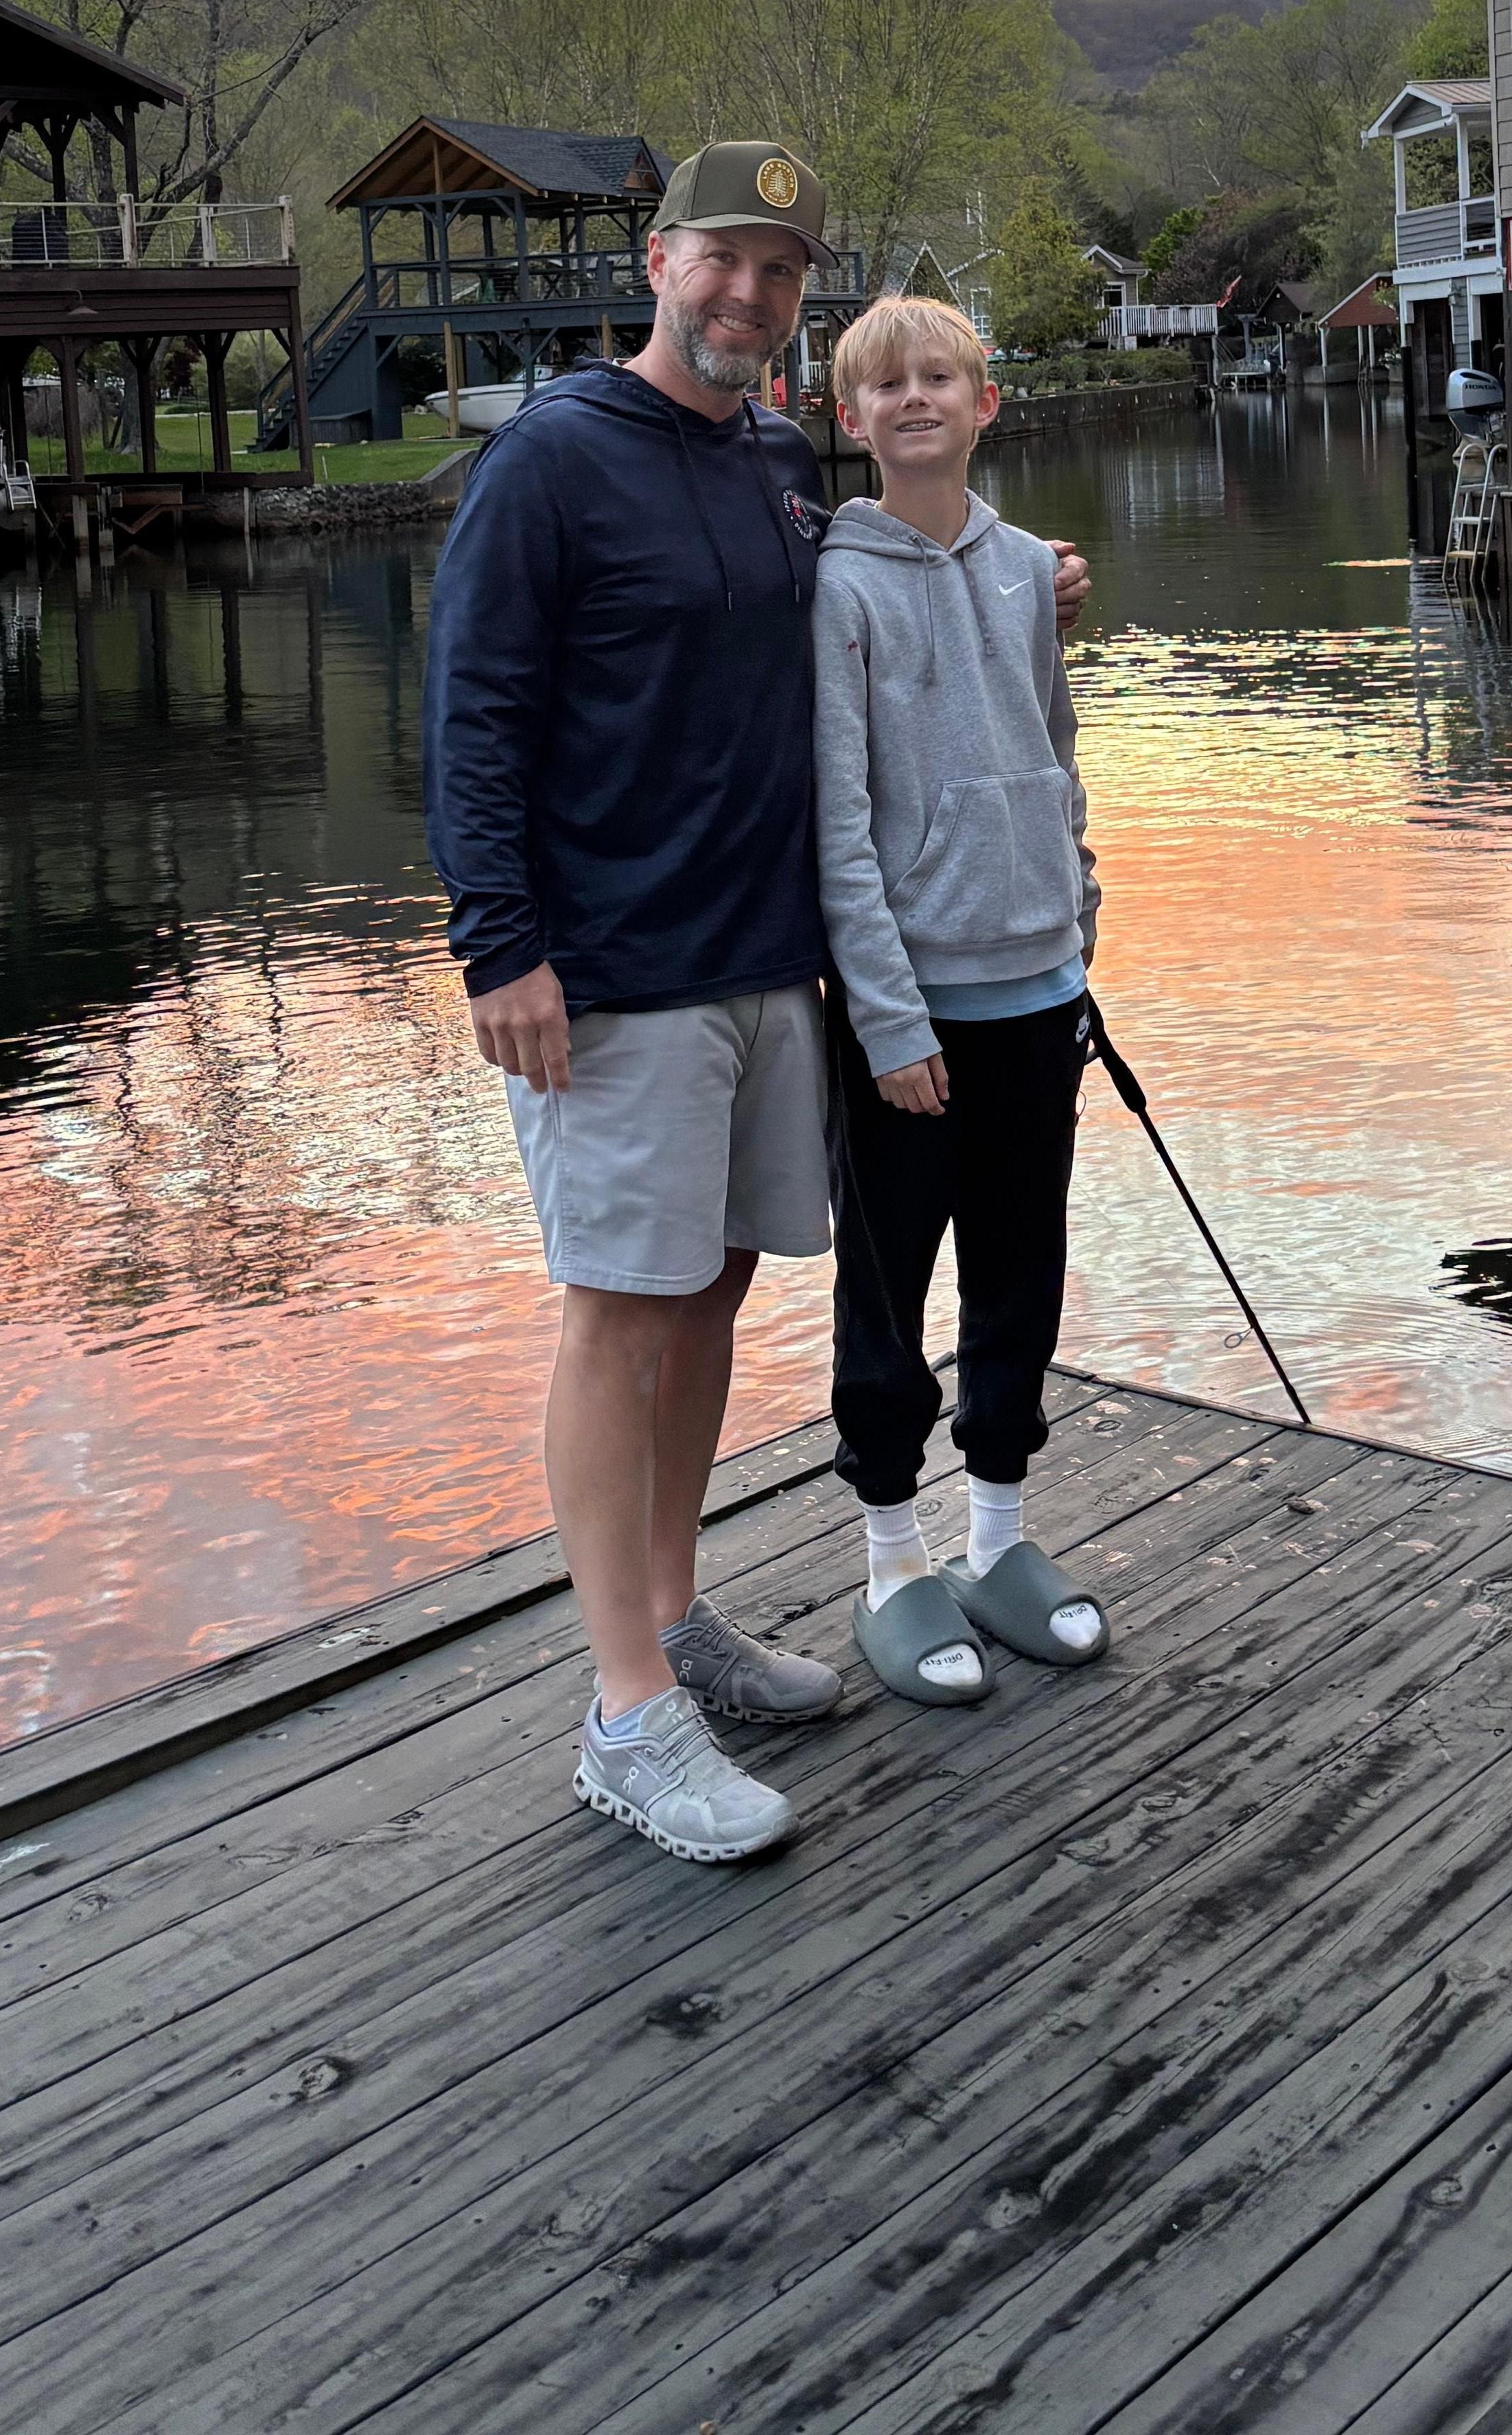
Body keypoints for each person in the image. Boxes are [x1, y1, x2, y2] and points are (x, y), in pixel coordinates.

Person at [423, 143, 1090, 1865]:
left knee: (713, 1294)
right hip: (611, 977)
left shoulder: (783, 465)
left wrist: (1029, 580)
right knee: (617, 1312)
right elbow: (474, 712)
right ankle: (623, 1714)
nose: (748, 293)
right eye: (722, 259)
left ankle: (672, 1619)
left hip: (769, 965)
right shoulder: (550, 460)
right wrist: (499, 947)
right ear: (657, 262)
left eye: (780, 271)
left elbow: (904, 593)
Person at [812, 292, 1110, 1706]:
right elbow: (838, 824)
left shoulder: (1027, 571)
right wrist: (886, 1020)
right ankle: (892, 1560)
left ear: (987, 403)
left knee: (1019, 1271)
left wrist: (1078, 926)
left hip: (1039, 992)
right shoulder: (841, 587)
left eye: (942, 377)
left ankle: (998, 1536)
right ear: (851, 418)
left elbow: (1058, 756)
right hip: (910, 1022)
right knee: (888, 1293)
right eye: (889, 385)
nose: (917, 398)